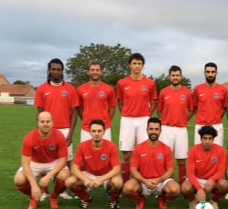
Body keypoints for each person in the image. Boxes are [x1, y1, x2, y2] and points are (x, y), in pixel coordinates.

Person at [34, 58, 79, 200]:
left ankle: (63, 190)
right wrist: (43, 130)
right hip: (48, 130)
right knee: (45, 160)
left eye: (58, 69)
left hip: (65, 129)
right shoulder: (42, 89)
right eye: (53, 69)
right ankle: (46, 191)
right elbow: (40, 113)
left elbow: (75, 113)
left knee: (66, 161)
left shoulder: (70, 89)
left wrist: (71, 133)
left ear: (62, 71)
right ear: (49, 70)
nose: (56, 72)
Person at [14, 111, 69, 209]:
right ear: (37, 123)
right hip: (35, 163)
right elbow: (25, 164)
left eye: (48, 121)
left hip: (53, 162)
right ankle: (34, 197)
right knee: (19, 179)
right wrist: (34, 185)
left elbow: (63, 160)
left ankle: (54, 197)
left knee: (65, 175)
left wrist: (49, 176)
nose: (45, 124)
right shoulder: (30, 137)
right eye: (42, 121)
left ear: (52, 122)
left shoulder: (59, 136)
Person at [123, 117, 181, 209]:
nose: (153, 132)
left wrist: (159, 180)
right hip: (143, 181)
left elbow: (170, 170)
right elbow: (133, 170)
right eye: (151, 129)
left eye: (156, 129)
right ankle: (140, 199)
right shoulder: (139, 148)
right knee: (127, 189)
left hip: (161, 181)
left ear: (160, 131)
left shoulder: (166, 149)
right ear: (147, 130)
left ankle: (162, 198)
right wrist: (144, 181)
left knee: (176, 190)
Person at [117, 53, 158, 182]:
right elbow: (120, 101)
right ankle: (125, 183)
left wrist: (147, 115)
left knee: (143, 153)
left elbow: (154, 101)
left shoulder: (150, 83)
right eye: (134, 63)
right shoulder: (122, 83)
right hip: (127, 120)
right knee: (127, 154)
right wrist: (126, 112)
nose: (136, 66)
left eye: (139, 64)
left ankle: (141, 182)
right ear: (130, 65)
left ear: (143, 66)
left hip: (143, 120)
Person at [65, 119, 123, 209]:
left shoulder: (111, 146)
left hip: (105, 175)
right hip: (89, 174)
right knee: (70, 181)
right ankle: (86, 198)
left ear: (104, 132)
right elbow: (74, 168)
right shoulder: (83, 146)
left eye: (99, 131)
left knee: (118, 182)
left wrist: (101, 180)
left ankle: (113, 200)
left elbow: (117, 168)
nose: (96, 134)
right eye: (94, 131)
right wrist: (85, 179)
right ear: (90, 132)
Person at [157, 65, 194, 184]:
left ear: (181, 77)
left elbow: (191, 109)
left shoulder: (187, 92)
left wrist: (184, 119)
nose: (175, 77)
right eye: (173, 75)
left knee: (182, 159)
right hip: (166, 129)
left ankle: (182, 186)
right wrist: (165, 119)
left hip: (181, 129)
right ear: (169, 77)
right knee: (164, 159)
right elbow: (159, 110)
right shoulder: (164, 92)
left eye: (177, 75)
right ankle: (164, 184)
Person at [181, 125, 228, 209]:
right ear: (201, 139)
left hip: (212, 181)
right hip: (197, 179)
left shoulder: (220, 150)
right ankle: (193, 200)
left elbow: (220, 171)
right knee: (185, 189)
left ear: (213, 139)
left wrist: (212, 180)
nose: (207, 141)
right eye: (205, 138)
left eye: (210, 138)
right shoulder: (193, 150)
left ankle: (214, 200)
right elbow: (190, 173)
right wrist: (199, 188)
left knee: (224, 185)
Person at [77, 60, 116, 142]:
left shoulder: (109, 89)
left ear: (101, 72)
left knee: (105, 153)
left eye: (97, 70)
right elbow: (79, 109)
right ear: (88, 72)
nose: (95, 72)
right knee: (86, 153)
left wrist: (106, 121)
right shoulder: (80, 89)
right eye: (92, 70)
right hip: (86, 128)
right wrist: (86, 119)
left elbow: (112, 108)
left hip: (104, 128)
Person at [192, 62, 228, 146]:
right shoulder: (197, 89)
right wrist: (202, 118)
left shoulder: (223, 90)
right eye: (208, 72)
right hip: (201, 125)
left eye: (212, 72)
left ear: (216, 73)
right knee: (199, 153)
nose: (210, 74)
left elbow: (224, 108)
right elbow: (195, 107)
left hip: (217, 125)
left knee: (217, 152)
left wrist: (216, 118)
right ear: (204, 73)